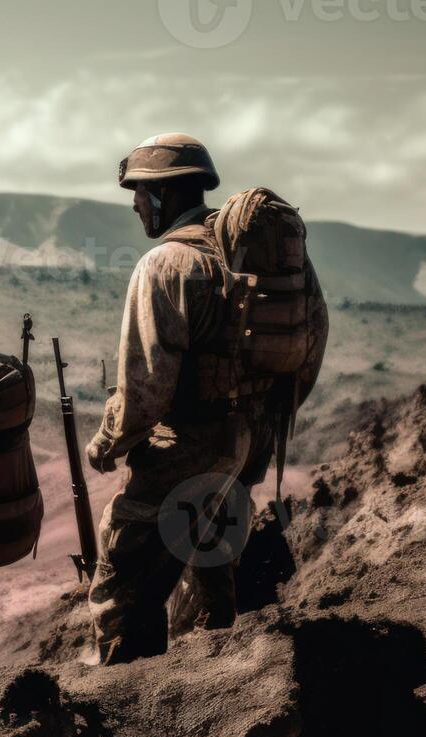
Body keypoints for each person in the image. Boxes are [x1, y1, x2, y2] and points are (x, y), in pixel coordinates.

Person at [83, 134, 328, 663]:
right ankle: (217, 692)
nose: (134, 204)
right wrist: (256, 418)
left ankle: (130, 711)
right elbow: (311, 347)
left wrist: (106, 443)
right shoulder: (269, 259)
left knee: (121, 596)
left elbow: (144, 391)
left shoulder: (167, 264)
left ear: (165, 195)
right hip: (249, 446)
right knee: (213, 579)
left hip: (187, 448)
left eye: (140, 193)